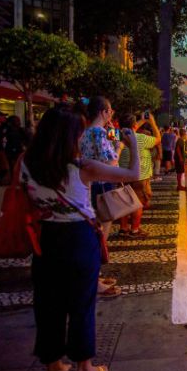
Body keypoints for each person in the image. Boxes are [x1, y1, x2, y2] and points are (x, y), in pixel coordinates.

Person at [21, 104, 140, 371]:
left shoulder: (25, 163)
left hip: (45, 239)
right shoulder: (82, 167)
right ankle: (84, 369)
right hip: (78, 238)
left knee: (48, 305)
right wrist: (132, 143)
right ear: (68, 135)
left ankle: (53, 368)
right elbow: (133, 174)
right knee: (81, 305)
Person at [79, 96, 122, 298]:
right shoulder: (99, 133)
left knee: (95, 233)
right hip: (102, 186)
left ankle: (94, 276)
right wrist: (119, 147)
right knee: (101, 235)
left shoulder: (85, 133)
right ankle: (93, 279)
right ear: (104, 112)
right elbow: (112, 163)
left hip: (87, 187)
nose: (111, 114)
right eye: (110, 111)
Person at [118, 112, 160, 238]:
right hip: (139, 176)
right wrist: (151, 122)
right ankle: (135, 230)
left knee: (123, 202)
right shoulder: (141, 138)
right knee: (139, 203)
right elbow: (158, 139)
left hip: (121, 175)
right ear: (134, 125)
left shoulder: (116, 136)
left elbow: (128, 128)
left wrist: (141, 121)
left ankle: (123, 228)